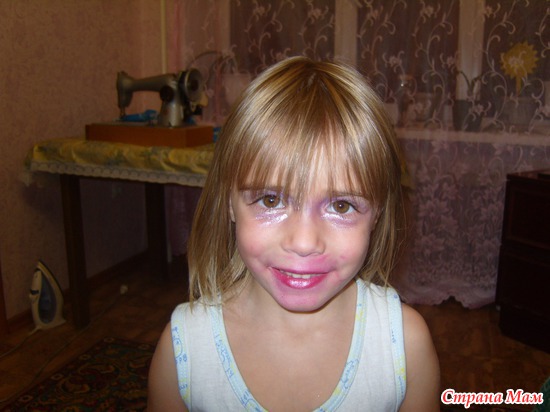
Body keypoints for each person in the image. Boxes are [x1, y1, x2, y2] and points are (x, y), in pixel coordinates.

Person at [147, 56, 440, 411]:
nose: (303, 243)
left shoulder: (405, 348)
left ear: (377, 213)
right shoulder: (185, 351)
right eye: (270, 200)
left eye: (341, 206)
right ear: (228, 203)